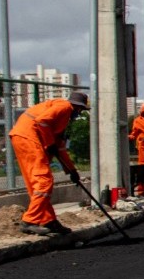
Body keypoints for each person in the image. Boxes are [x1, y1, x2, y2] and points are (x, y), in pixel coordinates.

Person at [8, 91, 87, 236]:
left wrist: (72, 171)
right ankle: (29, 221)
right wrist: (49, 143)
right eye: (81, 110)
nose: (79, 114)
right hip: (28, 137)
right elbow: (41, 121)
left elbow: (60, 148)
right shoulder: (65, 107)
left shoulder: (61, 119)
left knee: (37, 185)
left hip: (22, 137)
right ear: (77, 107)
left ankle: (49, 220)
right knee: (44, 182)